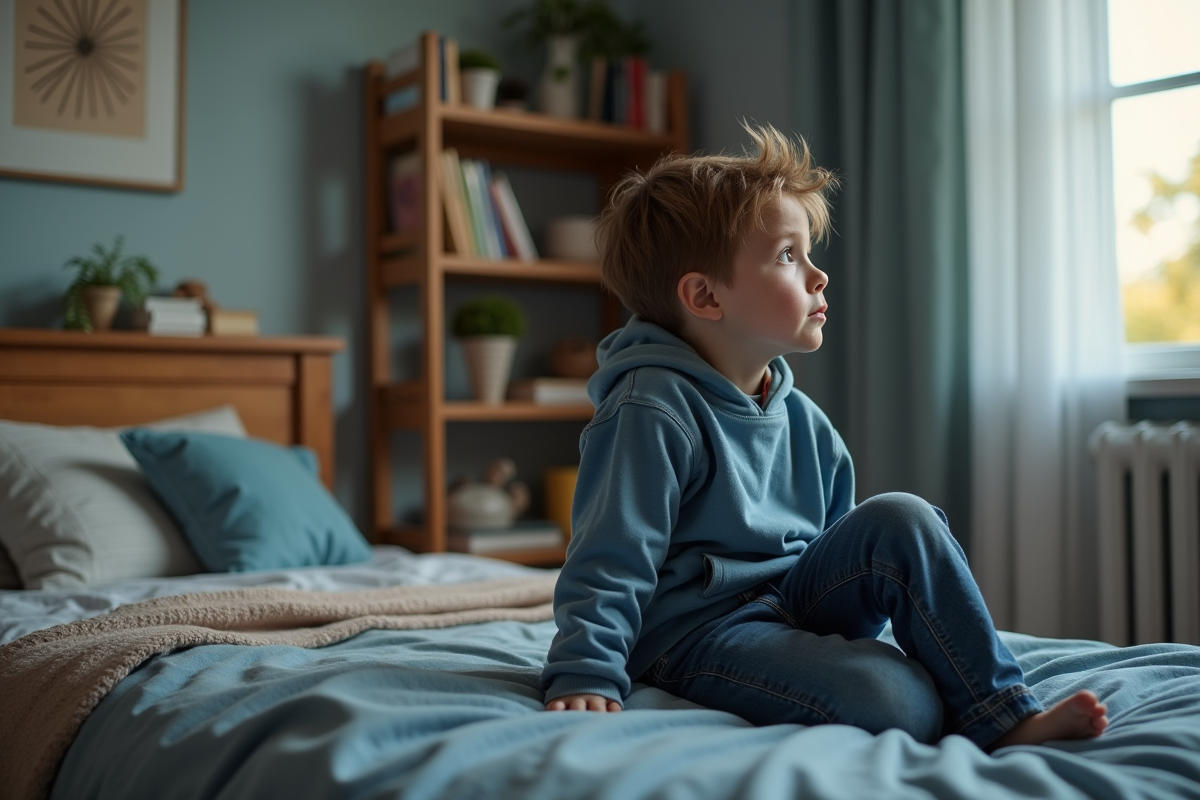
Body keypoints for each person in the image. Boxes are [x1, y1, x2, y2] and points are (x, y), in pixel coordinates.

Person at [539, 123, 1108, 751]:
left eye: (809, 254)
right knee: (900, 703)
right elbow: (610, 555)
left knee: (902, 517)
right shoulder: (650, 409)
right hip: (698, 632)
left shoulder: (803, 418)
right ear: (704, 296)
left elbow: (844, 550)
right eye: (787, 256)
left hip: (795, 598)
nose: (819, 276)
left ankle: (1004, 715)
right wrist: (585, 670)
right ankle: (924, 698)